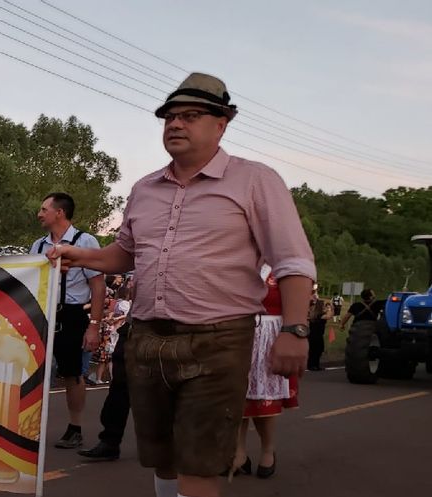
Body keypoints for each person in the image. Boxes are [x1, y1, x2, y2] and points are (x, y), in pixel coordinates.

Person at [48, 73, 315, 497]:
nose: (175, 124)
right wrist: (79, 255)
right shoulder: (145, 188)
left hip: (218, 339)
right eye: (169, 117)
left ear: (221, 124)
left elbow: (293, 260)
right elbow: (125, 254)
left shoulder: (255, 180)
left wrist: (295, 330)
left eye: (190, 116)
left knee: (199, 462)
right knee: (163, 456)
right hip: (147, 337)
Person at [29, 192, 106, 450]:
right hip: (42, 313)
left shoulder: (85, 241)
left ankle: (75, 428)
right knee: (32, 371)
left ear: (59, 212)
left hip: (71, 314)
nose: (39, 214)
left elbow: (98, 285)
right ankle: (29, 426)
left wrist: (94, 326)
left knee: (72, 373)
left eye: (44, 209)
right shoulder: (38, 245)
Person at [231, 266, 299, 479]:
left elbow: (297, 304)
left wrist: (294, 335)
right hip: (239, 334)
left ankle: (268, 449)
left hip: (271, 335)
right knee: (236, 397)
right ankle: (238, 453)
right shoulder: (241, 260)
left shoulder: (283, 266)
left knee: (265, 401)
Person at [78, 279, 133, 463]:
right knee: (119, 387)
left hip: (177, 328)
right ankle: (109, 442)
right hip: (137, 326)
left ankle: (167, 447)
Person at [307, 291, 334, 371]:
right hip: (316, 336)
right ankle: (312, 365)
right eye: (323, 307)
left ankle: (315, 365)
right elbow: (329, 316)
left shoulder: (313, 316)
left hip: (314, 336)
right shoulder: (320, 316)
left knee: (316, 350)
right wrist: (331, 308)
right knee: (315, 351)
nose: (324, 308)